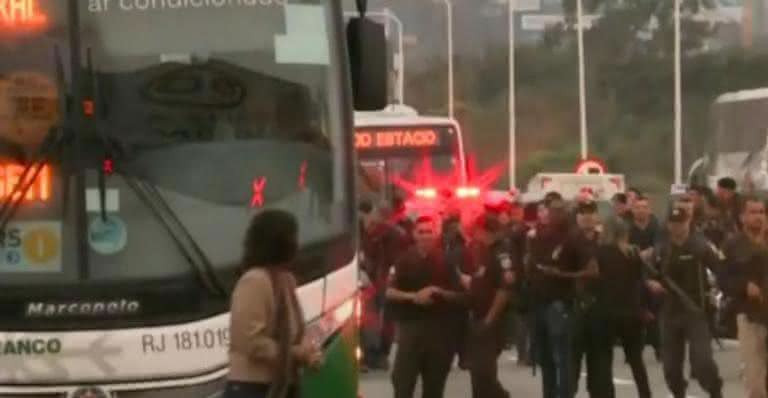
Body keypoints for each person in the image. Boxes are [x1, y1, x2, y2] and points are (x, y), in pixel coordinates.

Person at [225, 210, 322, 398]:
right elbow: (252, 343)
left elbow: (295, 332)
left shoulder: (286, 280)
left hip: (284, 385)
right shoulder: (254, 280)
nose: (297, 244)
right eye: (292, 237)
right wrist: (296, 354)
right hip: (254, 388)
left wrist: (308, 352)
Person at [387, 216, 466, 398]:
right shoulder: (403, 260)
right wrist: (414, 297)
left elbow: (462, 296)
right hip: (411, 329)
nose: (425, 236)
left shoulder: (447, 261)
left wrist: (438, 292)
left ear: (436, 234)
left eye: (428, 232)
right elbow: (390, 292)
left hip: (438, 331)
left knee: (434, 387)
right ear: (414, 234)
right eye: (421, 232)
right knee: (402, 384)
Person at [649, 207, 724, 398]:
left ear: (688, 223)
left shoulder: (701, 247)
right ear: (668, 225)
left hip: (695, 311)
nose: (677, 227)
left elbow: (721, 271)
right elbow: (647, 273)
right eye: (673, 223)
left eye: (681, 222)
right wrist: (650, 283)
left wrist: (716, 294)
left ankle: (715, 390)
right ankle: (678, 394)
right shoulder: (661, 249)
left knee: (702, 363)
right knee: (671, 368)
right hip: (669, 312)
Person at [527, 197, 585, 398]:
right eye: (550, 210)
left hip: (560, 303)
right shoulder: (538, 236)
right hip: (539, 302)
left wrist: (562, 275)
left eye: (558, 211)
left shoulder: (574, 237)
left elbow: (590, 270)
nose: (552, 214)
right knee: (545, 359)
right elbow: (531, 266)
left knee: (562, 357)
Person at [596, 220, 652, 398]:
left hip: (607, 311)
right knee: (636, 359)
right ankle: (645, 394)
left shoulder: (601, 252)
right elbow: (641, 282)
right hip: (631, 311)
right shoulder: (633, 252)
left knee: (604, 358)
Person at [722, 196, 768, 398]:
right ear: (742, 217)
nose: (759, 217)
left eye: (761, 212)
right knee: (755, 381)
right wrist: (743, 286)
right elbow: (723, 280)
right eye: (753, 212)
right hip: (750, 316)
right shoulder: (733, 245)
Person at [465, 214, 513, 398]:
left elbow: (504, 290)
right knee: (477, 372)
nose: (476, 236)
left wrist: (489, 320)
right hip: (478, 317)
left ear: (485, 231)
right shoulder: (486, 252)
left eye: (477, 231)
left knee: (483, 370)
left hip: (492, 320)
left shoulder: (501, 253)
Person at [567, 200, 609, 398]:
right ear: (577, 217)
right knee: (572, 357)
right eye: (583, 213)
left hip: (600, 307)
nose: (587, 217)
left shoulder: (605, 241)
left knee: (599, 360)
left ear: (597, 216)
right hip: (575, 305)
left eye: (591, 212)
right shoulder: (569, 241)